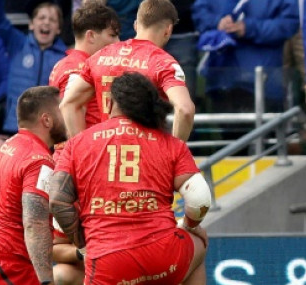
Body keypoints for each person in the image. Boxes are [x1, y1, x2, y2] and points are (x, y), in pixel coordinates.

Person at [48, 73, 211, 285]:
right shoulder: (172, 144)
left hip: (107, 262)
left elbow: (57, 201)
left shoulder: (77, 143)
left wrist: (84, 244)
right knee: (198, 241)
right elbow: (199, 198)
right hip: (163, 257)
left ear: (109, 103)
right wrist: (189, 226)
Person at [0, 86, 67, 285]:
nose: (67, 117)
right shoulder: (39, 159)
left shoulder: (8, 146)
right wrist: (47, 281)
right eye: (62, 111)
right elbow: (34, 223)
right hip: (8, 262)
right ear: (47, 120)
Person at [59, 0, 196, 141]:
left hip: (106, 149)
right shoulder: (163, 63)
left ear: (136, 25)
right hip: (146, 151)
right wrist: (175, 149)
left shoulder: (101, 56)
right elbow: (185, 109)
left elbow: (68, 104)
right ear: (168, 30)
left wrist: (82, 148)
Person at [0, 0, 67, 134]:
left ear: (58, 29)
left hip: (47, 130)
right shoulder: (18, 43)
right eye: (41, 18)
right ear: (31, 24)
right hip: (15, 125)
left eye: (52, 20)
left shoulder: (64, 58)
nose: (46, 22)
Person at [48, 0, 121, 131]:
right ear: (91, 36)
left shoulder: (64, 63)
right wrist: (80, 145)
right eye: (112, 35)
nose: (118, 42)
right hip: (89, 142)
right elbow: (68, 113)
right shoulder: (79, 69)